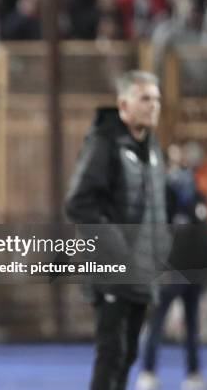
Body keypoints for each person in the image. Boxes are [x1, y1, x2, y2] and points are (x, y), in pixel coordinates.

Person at [65, 70, 171, 390]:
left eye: (157, 99)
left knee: (128, 354)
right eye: (145, 99)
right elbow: (78, 203)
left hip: (143, 268)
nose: (153, 106)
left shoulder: (152, 149)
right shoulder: (104, 144)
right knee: (112, 352)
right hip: (113, 268)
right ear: (123, 105)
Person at [136, 143, 207, 390]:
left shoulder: (198, 198)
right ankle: (147, 372)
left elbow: (203, 238)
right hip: (168, 272)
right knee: (156, 322)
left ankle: (193, 374)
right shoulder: (161, 199)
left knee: (192, 326)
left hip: (194, 272)